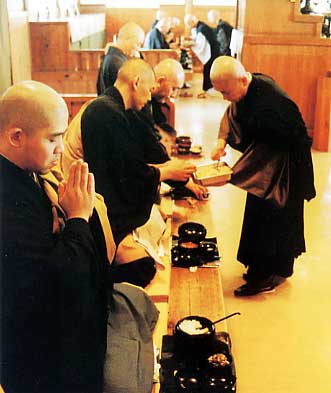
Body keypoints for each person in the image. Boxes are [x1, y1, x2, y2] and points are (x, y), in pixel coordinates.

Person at [0, 81, 113, 392]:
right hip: (39, 362)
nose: (62, 149)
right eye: (53, 139)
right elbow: (58, 284)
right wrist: (77, 217)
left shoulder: (26, 170)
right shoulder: (8, 200)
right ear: (16, 136)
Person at [81, 58, 196, 287]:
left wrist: (169, 171)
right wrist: (167, 172)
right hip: (106, 206)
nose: (149, 96)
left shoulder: (115, 108)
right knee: (141, 270)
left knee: (158, 226)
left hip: (114, 195)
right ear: (136, 82)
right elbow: (130, 173)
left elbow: (134, 161)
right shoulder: (106, 112)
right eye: (149, 88)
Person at [210, 56, 316, 297]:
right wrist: (221, 141)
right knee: (258, 215)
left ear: (241, 79)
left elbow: (266, 151)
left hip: (285, 167)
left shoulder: (270, 104)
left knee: (273, 220)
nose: (225, 98)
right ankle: (261, 269)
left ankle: (266, 277)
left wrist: (230, 174)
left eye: (225, 92)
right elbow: (232, 113)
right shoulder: (248, 87)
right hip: (267, 165)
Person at [138, 58, 208, 200]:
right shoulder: (141, 101)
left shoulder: (154, 100)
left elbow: (162, 128)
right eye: (174, 88)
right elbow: (154, 148)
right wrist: (186, 182)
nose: (174, 94)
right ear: (161, 80)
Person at [97, 22, 145, 95]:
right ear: (127, 40)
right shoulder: (116, 62)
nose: (138, 48)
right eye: (137, 44)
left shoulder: (113, 57)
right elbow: (131, 91)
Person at [184, 13, 220, 98]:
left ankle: (208, 91)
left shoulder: (202, 28)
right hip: (212, 51)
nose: (189, 27)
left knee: (208, 70)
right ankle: (207, 90)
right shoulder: (200, 26)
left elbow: (201, 44)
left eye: (189, 24)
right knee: (207, 70)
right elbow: (198, 39)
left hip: (211, 52)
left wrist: (190, 44)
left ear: (192, 21)